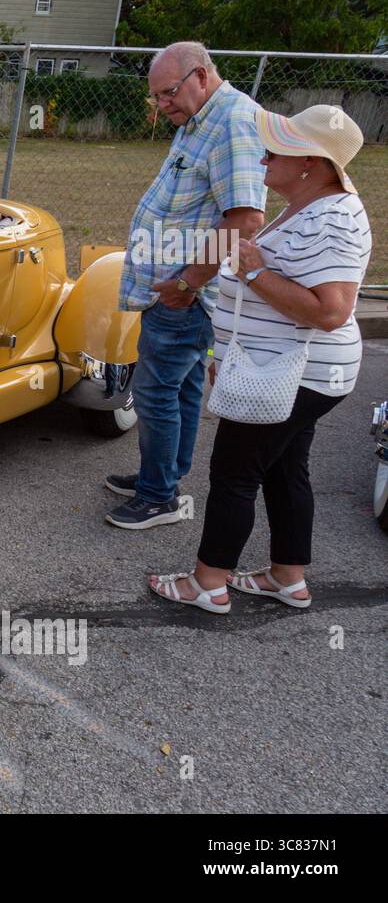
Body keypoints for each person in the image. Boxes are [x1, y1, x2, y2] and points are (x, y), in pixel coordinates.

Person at [149, 104, 370, 612]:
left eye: (279, 148)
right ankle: (287, 577)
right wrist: (228, 351)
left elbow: (331, 311)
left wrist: (252, 272)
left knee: (235, 472)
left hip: (289, 374)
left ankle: (208, 583)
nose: (265, 155)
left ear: (312, 162)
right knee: (285, 467)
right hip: (284, 369)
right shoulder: (310, 204)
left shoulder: (331, 218)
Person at [105, 42, 267, 530]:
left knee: (155, 393)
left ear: (200, 75)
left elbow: (244, 219)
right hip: (177, 291)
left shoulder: (232, 123)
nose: (162, 105)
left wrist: (186, 283)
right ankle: (165, 475)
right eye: (156, 97)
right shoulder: (199, 118)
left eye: (168, 93)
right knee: (184, 388)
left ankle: (159, 497)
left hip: (183, 296)